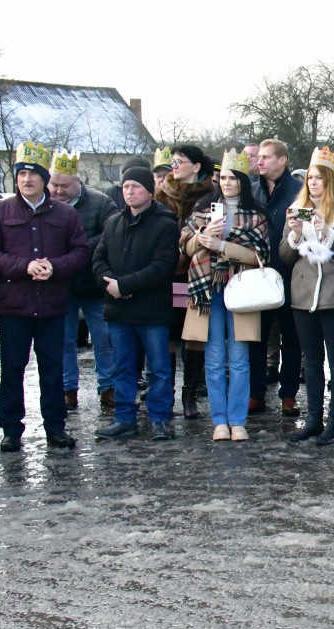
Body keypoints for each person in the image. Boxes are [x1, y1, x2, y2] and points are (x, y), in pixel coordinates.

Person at [0, 142, 89, 453]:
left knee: (53, 368)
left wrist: (55, 267)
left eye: (32, 174)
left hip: (52, 305)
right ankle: (11, 430)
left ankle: (56, 428)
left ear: (43, 178)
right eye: (21, 174)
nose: (26, 180)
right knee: (12, 369)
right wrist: (24, 266)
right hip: (13, 305)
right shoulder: (1, 211)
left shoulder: (65, 214)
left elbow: (80, 253)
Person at [179, 149, 270, 442]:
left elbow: (260, 255)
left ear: (243, 181)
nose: (228, 183)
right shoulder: (203, 209)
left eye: (234, 178)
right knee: (215, 357)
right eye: (225, 178)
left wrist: (221, 246)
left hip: (241, 289)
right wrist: (202, 236)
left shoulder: (256, 214)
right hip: (207, 289)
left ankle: (238, 420)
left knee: (240, 358)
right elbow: (185, 247)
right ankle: (219, 420)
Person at [279, 147, 334, 445]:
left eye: (319, 178)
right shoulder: (298, 208)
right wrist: (294, 234)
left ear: (330, 180)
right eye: (310, 178)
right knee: (311, 363)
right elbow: (286, 256)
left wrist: (328, 233)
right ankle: (314, 419)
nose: (313, 183)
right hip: (303, 296)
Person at [92, 166, 180, 441]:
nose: (129, 192)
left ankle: (160, 419)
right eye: (126, 186)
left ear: (149, 191)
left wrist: (124, 286)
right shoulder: (114, 223)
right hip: (119, 310)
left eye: (136, 187)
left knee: (159, 369)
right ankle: (124, 418)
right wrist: (110, 284)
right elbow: (98, 259)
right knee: (123, 367)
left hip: (152, 311)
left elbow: (163, 267)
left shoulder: (165, 223)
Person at [48, 149, 119, 411]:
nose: (57, 190)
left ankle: (108, 387)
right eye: (53, 184)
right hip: (59, 284)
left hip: (93, 283)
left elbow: (111, 235)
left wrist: (76, 250)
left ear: (78, 181)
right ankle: (68, 389)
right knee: (63, 340)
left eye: (63, 185)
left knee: (104, 339)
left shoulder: (101, 203)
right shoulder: (46, 205)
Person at [154, 144, 215, 420]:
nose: (174, 165)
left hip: (199, 275)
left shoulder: (211, 196)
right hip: (165, 275)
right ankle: (165, 394)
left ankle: (189, 395)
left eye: (180, 161)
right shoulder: (160, 194)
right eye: (173, 161)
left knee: (194, 337)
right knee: (166, 337)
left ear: (197, 166)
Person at [249, 138, 304, 417]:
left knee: (291, 337)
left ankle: (288, 394)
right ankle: (256, 393)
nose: (260, 161)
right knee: (256, 337)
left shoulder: (298, 192)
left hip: (290, 273)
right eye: (259, 157)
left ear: (282, 160)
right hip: (258, 274)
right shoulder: (252, 190)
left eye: (267, 157)